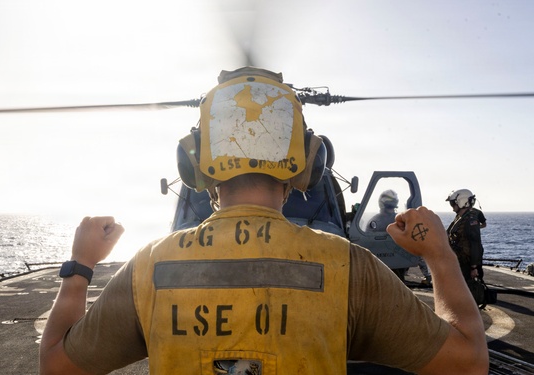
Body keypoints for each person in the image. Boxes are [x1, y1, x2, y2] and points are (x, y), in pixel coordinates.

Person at [39, 67, 488, 375]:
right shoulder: (350, 267)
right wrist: (439, 254)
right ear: (308, 164)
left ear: (192, 165)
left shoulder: (147, 267)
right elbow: (468, 362)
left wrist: (80, 266)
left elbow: (56, 366)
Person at [367, 190, 432, 285]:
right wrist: (427, 276)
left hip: (382, 264)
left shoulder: (375, 221)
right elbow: (416, 244)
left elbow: (367, 240)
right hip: (400, 262)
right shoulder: (401, 220)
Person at [446, 189, 485, 281]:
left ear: (461, 202)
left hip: (466, 264)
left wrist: (474, 267)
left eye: (452, 203)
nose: (452, 206)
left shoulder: (470, 220)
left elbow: (475, 243)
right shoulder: (460, 217)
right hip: (458, 261)